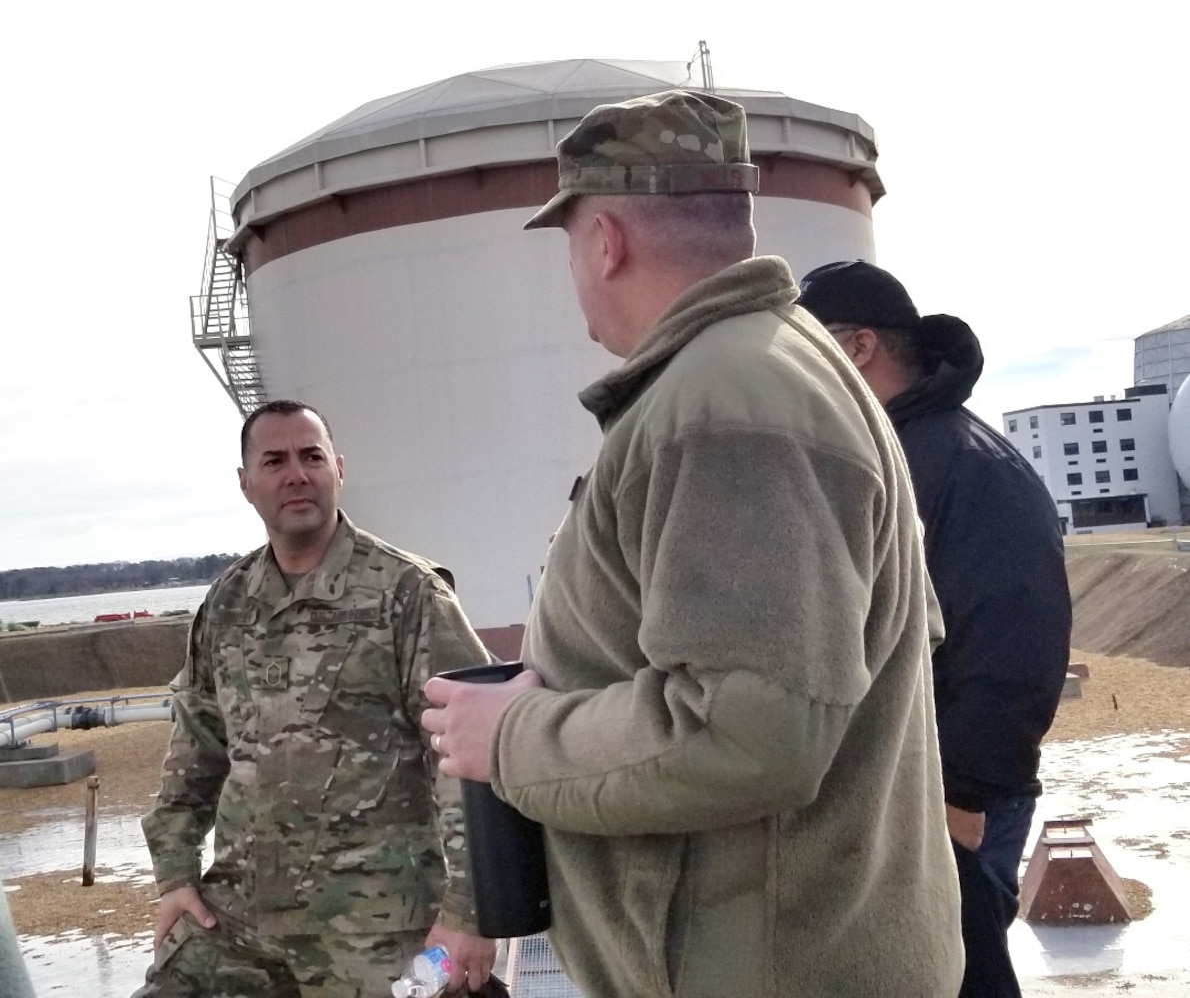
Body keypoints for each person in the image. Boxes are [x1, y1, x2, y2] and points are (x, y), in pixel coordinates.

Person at [421, 91, 964, 997]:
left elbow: (750, 734)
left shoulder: (727, 404)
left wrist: (511, 736)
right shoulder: (775, 369)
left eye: (569, 245)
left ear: (604, 240)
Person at [135, 399, 497, 998]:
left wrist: (470, 912)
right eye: (274, 460)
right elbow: (195, 752)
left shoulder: (407, 595)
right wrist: (174, 876)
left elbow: (476, 758)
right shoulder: (226, 604)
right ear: (247, 484)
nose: (296, 474)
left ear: (339, 470)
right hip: (244, 921)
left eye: (312, 456)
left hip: (379, 929)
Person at [798, 260, 1072, 998]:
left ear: (858, 349)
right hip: (907, 788)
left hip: (950, 795)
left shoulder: (965, 464)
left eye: (804, 346)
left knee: (953, 978)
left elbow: (1015, 642)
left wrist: (963, 795)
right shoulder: (893, 455)